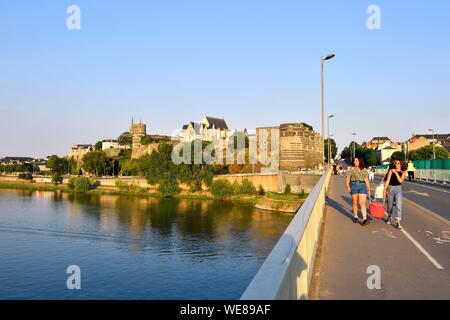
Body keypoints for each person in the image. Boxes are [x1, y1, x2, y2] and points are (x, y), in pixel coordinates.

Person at [346, 157, 371, 226]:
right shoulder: (351, 169)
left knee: (362, 203)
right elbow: (348, 178)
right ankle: (356, 217)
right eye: (354, 161)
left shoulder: (364, 169)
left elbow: (366, 179)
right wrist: (348, 186)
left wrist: (369, 189)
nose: (355, 162)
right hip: (353, 185)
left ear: (360, 161)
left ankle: (364, 219)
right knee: (355, 203)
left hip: (362, 186)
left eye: (357, 161)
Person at [383, 159, 407, 229]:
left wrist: (396, 172)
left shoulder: (403, 171)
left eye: (398, 163)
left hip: (398, 189)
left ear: (401, 164)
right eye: (395, 163)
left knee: (399, 205)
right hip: (390, 188)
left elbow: (400, 181)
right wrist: (384, 190)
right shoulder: (391, 171)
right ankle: (389, 217)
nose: (396, 164)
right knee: (390, 206)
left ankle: (398, 222)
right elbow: (387, 180)